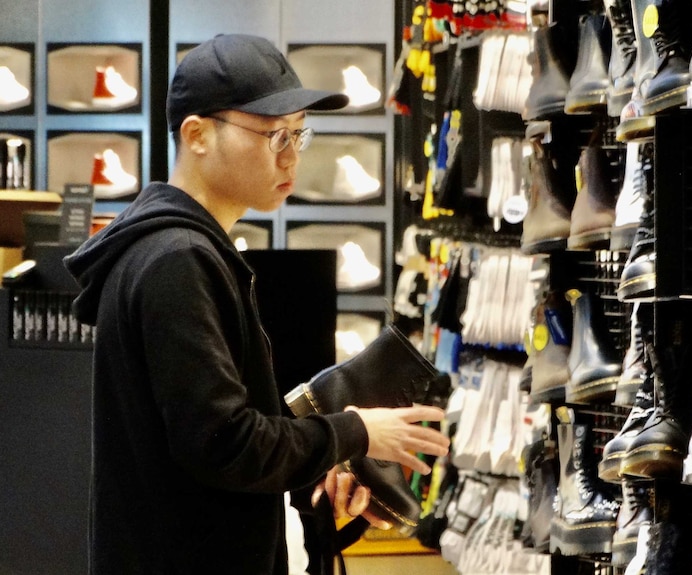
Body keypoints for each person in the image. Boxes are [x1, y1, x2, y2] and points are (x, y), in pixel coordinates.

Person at [63, 33, 450, 574]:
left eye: (297, 134)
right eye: (272, 135)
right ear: (196, 135)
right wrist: (355, 430)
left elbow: (209, 450)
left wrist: (317, 468)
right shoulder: (177, 261)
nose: (290, 155)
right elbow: (225, 443)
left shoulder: (183, 251)